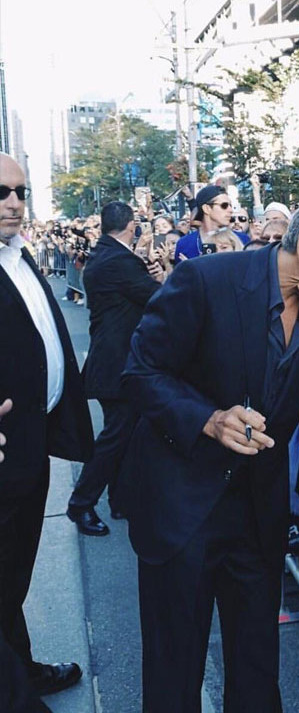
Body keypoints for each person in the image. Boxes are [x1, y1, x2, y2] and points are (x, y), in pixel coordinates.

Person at [120, 189, 299, 713]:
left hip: (258, 516)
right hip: (182, 508)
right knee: (174, 674)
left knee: (257, 673)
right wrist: (208, 421)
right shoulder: (206, 280)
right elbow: (141, 373)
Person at [0, 153, 93, 697]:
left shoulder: (19, 254)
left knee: (12, 577)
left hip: (31, 451)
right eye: (1, 192)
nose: (13, 202)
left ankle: (20, 669)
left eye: (20, 191)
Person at [66, 202, 162, 536]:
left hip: (114, 362)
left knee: (123, 433)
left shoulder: (106, 255)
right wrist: (160, 272)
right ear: (132, 225)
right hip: (117, 364)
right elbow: (159, 296)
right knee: (116, 436)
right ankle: (81, 503)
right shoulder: (118, 261)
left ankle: (120, 499)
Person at [174, 185, 233, 262]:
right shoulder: (184, 244)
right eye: (224, 205)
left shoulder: (241, 239)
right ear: (206, 208)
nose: (230, 210)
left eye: (230, 205)